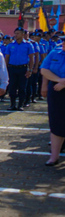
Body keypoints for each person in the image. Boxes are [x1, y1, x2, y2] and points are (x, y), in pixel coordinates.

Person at [40, 36, 65, 166]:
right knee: (56, 123)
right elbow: (44, 69)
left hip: (61, 85)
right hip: (56, 89)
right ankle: (54, 157)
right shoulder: (55, 52)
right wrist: (60, 80)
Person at [5, 27, 35, 111]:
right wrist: (5, 69)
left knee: (22, 88)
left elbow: (31, 58)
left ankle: (20, 105)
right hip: (12, 68)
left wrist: (30, 70)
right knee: (12, 87)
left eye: (18, 33)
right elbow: (7, 58)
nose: (16, 35)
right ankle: (12, 104)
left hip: (23, 69)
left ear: (23, 34)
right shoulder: (10, 45)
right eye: (15, 33)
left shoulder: (28, 45)